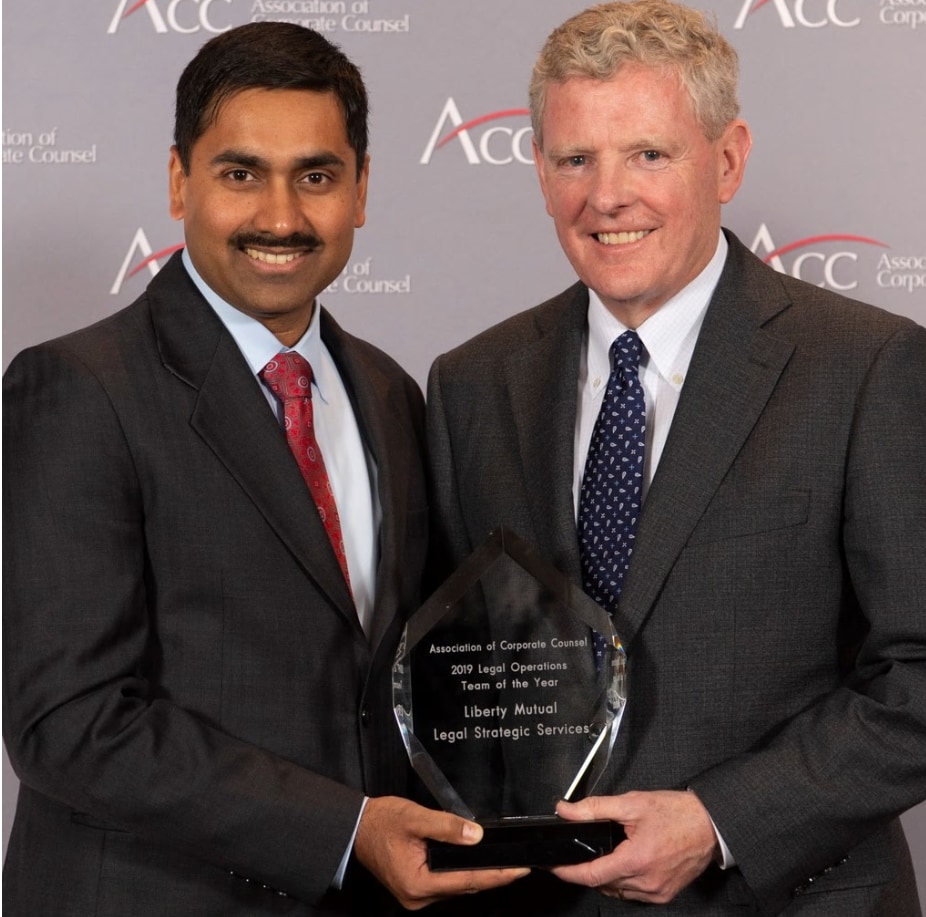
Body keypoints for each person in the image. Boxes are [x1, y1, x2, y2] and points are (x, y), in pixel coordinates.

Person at [2, 22, 525, 916]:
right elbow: (70, 721)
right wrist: (344, 829)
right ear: (179, 181)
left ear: (361, 190)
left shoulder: (391, 394)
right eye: (240, 173)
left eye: (316, 176)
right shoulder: (81, 388)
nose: (280, 217)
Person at [426, 1, 926, 914]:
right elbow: (456, 675)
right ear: (539, 171)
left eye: (649, 154)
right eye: (576, 158)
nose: (606, 194)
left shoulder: (867, 367)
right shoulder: (470, 385)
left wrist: (719, 819)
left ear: (727, 159)